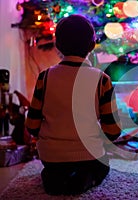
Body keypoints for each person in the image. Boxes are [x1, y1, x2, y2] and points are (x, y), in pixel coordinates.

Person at [25, 15, 121, 195]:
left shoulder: (44, 78)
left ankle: (54, 176)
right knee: (103, 166)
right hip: (88, 155)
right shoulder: (102, 80)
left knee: (54, 169)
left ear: (58, 45)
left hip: (51, 156)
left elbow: (32, 126)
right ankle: (87, 177)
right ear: (92, 46)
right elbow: (113, 131)